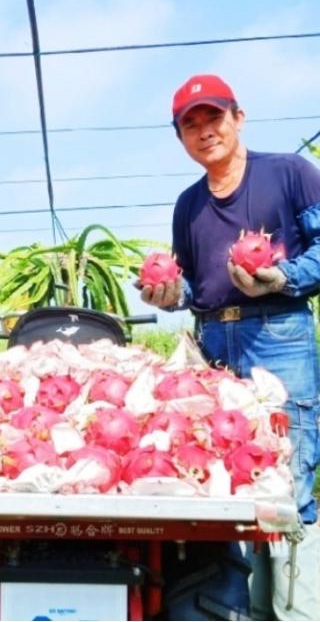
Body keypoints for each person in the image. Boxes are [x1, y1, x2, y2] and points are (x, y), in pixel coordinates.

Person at [142, 74, 320, 620]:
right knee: (223, 481)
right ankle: (235, 611)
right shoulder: (187, 205)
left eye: (213, 117)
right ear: (180, 138)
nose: (204, 132)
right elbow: (193, 283)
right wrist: (171, 293)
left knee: (289, 484)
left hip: (279, 333)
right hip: (214, 342)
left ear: (238, 118)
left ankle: (295, 613)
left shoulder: (290, 174)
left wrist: (283, 276)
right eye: (189, 125)